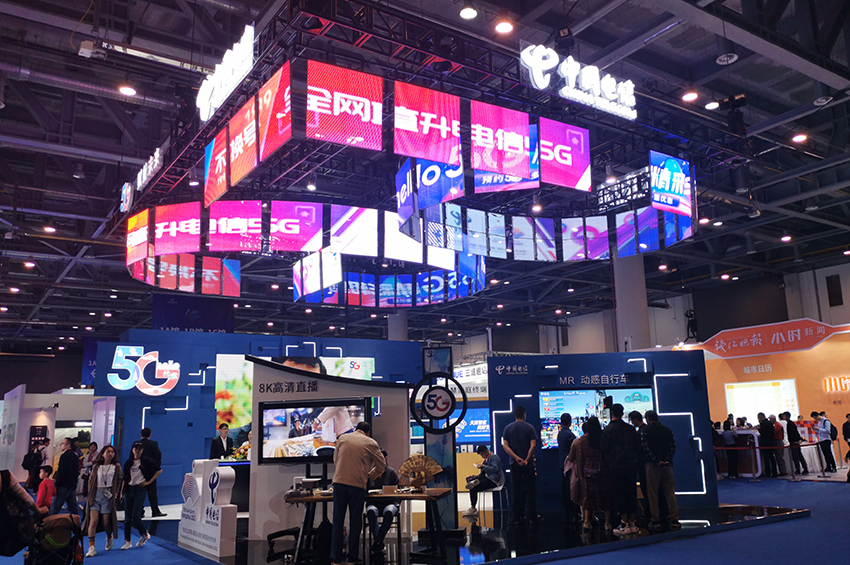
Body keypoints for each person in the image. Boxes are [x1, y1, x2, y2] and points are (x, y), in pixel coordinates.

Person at [330, 422, 385, 565]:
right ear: (368, 432)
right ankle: (352, 557)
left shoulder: (342, 438)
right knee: (355, 521)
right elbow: (381, 465)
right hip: (357, 485)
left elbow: (336, 459)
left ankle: (335, 558)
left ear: (356, 429)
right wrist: (370, 475)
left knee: (338, 520)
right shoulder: (370, 442)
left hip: (339, 483)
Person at [601, 404, 639, 536]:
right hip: (631, 465)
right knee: (631, 492)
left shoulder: (608, 430)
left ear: (611, 413)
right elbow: (637, 446)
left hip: (615, 467)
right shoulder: (630, 429)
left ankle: (624, 524)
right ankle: (633, 523)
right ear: (623, 413)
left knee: (620, 494)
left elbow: (604, 449)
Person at [568, 417, 612, 531]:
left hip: (588, 471)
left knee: (589, 496)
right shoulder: (603, 437)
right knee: (606, 495)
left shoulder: (582, 441)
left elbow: (581, 457)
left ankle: (587, 521)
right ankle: (607, 523)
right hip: (603, 469)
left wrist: (582, 471)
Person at [641, 410, 680, 531]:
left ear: (647, 419)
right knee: (670, 493)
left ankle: (655, 519)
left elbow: (646, 448)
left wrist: (657, 461)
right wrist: (666, 460)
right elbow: (673, 447)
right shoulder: (667, 430)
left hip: (652, 465)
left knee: (653, 493)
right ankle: (674, 518)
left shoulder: (645, 431)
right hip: (668, 466)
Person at [501, 405, 539, 525]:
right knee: (530, 491)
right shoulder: (530, 427)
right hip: (528, 465)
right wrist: (526, 459)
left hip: (514, 464)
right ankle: (533, 517)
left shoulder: (507, 428)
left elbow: (505, 446)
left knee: (516, 491)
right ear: (524, 414)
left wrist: (516, 458)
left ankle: (517, 516)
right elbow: (533, 445)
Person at [83, 445, 123, 557]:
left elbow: (120, 479)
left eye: (112, 452)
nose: (110, 454)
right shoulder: (96, 466)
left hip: (108, 495)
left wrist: (116, 493)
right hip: (96, 494)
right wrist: (89, 494)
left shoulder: (116, 466)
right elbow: (91, 480)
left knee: (106, 522)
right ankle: (91, 547)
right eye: (108, 452)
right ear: (103, 453)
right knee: (93, 521)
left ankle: (109, 536)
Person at [122, 441, 161, 550]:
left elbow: (159, 470)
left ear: (142, 450)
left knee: (136, 515)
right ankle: (127, 541)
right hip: (129, 490)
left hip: (140, 489)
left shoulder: (146, 461)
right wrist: (121, 491)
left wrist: (148, 482)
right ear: (132, 450)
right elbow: (125, 478)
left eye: (139, 449)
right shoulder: (128, 463)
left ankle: (144, 533)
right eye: (136, 449)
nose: (137, 451)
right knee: (127, 518)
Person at [365, 449, 400, 553]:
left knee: (389, 512)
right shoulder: (370, 474)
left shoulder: (392, 473)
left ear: (385, 458)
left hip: (390, 502)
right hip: (374, 502)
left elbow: (398, 490)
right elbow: (365, 489)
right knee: (371, 511)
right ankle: (379, 542)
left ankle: (377, 541)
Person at [463, 444, 504, 518]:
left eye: (482, 454)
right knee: (473, 484)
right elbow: (482, 474)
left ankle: (473, 508)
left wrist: (484, 466)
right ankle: (474, 481)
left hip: (493, 480)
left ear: (486, 451)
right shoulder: (486, 460)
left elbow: (495, 469)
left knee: (474, 487)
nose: (482, 456)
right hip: (486, 478)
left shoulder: (494, 457)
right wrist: (474, 476)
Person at [51, 437, 81, 516]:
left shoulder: (64, 456)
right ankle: (76, 521)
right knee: (73, 506)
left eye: (62, 444)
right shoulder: (75, 456)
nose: (60, 446)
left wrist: (57, 483)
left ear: (68, 445)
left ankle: (48, 521)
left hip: (63, 484)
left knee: (55, 506)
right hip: (72, 484)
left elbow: (62, 471)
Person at [140, 428, 165, 517]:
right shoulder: (154, 444)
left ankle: (140, 511)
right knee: (152, 493)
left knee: (140, 492)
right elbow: (158, 455)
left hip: (139, 471)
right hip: (151, 471)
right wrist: (155, 467)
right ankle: (155, 511)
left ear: (141, 435)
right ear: (150, 435)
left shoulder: (137, 444)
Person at [557, 413, 577, 519]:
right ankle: (573, 511)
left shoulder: (560, 434)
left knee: (564, 487)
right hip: (570, 465)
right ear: (570, 422)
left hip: (562, 464)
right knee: (571, 487)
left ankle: (567, 510)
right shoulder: (570, 435)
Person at [757, 413, 778, 478]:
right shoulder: (770, 423)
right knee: (772, 458)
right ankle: (774, 472)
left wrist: (758, 429)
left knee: (766, 459)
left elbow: (762, 433)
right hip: (771, 443)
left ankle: (768, 473)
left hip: (764, 443)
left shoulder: (762, 424)